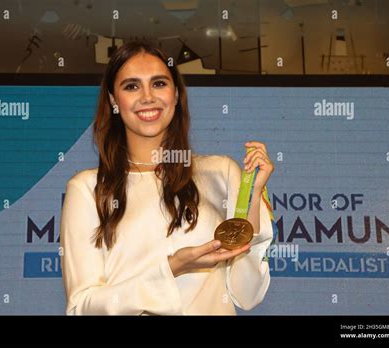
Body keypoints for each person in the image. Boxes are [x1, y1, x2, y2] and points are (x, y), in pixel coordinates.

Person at [60, 40, 275, 315]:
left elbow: (248, 293)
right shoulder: (87, 190)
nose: (148, 96)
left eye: (159, 83)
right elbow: (82, 308)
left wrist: (253, 197)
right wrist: (172, 267)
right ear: (113, 100)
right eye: (132, 86)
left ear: (175, 94)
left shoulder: (222, 172)